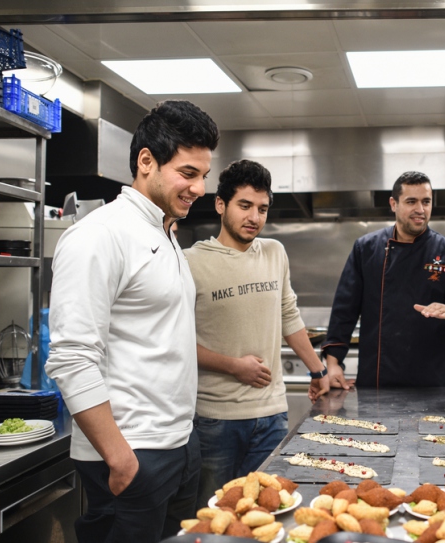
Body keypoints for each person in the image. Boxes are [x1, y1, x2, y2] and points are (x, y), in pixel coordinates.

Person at [46, 100, 219, 543]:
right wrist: (120, 458)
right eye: (187, 173)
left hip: (179, 445)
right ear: (146, 161)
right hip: (132, 454)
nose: (199, 187)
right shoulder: (98, 235)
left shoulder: (163, 234)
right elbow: (71, 358)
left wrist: (186, 443)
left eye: (203, 174)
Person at [184, 159, 330, 510]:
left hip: (272, 416)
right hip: (215, 420)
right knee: (216, 514)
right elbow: (178, 342)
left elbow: (288, 316)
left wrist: (318, 370)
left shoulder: (274, 252)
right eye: (245, 206)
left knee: (270, 511)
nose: (254, 217)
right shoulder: (190, 262)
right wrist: (233, 366)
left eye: (262, 209)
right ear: (221, 204)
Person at [321, 171, 445, 388]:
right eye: (411, 201)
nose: (420, 209)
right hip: (377, 382)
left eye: (426, 202)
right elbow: (345, 310)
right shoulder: (366, 249)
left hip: (434, 383)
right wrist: (333, 364)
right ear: (393, 204)